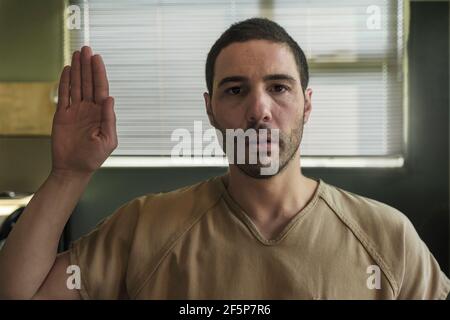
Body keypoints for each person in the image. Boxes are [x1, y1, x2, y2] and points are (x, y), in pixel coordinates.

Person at [0, 18, 449, 300]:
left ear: (307, 105)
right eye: (235, 90)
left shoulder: (387, 238)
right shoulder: (143, 229)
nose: (258, 110)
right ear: (210, 108)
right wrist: (68, 174)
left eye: (278, 87)